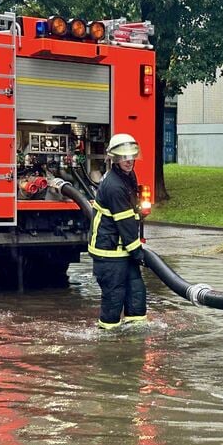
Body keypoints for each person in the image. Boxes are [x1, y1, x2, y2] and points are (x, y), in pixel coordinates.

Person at [89, 133, 147, 329]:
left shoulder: (128, 176)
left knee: (137, 294)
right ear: (114, 158)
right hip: (109, 253)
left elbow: (132, 215)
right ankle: (108, 343)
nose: (128, 161)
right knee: (114, 299)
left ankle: (135, 341)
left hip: (124, 250)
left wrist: (134, 251)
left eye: (131, 156)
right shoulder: (114, 185)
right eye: (123, 157)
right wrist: (138, 252)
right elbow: (125, 222)